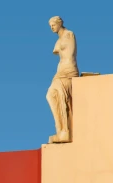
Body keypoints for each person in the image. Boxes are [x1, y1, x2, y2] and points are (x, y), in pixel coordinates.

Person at [46, 16, 78, 144]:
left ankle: (65, 131)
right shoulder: (57, 42)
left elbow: (69, 55)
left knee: (61, 96)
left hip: (68, 71)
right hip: (59, 73)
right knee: (50, 95)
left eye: (53, 24)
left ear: (59, 24)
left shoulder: (69, 35)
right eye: (50, 26)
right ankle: (60, 129)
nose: (52, 27)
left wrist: (64, 71)